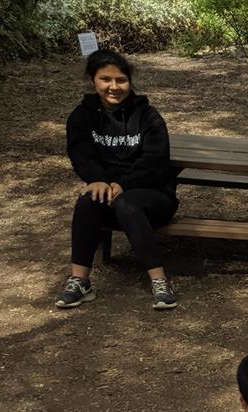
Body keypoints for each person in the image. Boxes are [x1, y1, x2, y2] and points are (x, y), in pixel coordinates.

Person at [59, 49, 179, 311]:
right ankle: (80, 281)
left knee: (125, 203)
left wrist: (122, 183)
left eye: (121, 80)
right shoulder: (82, 117)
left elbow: (155, 162)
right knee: (88, 199)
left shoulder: (148, 116)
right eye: (106, 79)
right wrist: (98, 180)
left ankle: (160, 282)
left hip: (154, 197)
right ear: (94, 81)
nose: (114, 87)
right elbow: (81, 156)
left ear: (129, 82)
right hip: (108, 198)